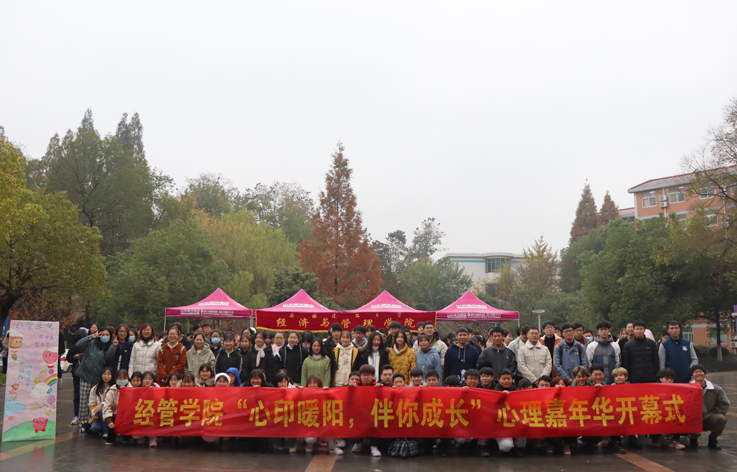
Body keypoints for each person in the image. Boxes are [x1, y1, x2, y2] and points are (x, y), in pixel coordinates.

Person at [75, 326, 115, 427]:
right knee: (83, 401)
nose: (105, 337)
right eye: (103, 334)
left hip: (98, 378)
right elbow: (78, 344)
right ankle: (82, 423)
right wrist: (91, 336)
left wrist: (113, 346)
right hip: (86, 375)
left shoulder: (110, 346)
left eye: (107, 335)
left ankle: (92, 422)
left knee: (95, 401)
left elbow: (108, 358)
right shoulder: (92, 343)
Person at [689, 364, 730, 450]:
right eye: (695, 372)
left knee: (721, 419)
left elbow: (724, 403)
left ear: (704, 373)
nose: (698, 373)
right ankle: (693, 440)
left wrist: (711, 414)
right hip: (693, 419)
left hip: (708, 418)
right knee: (692, 428)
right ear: (692, 375)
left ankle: (713, 439)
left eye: (701, 371)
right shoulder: (687, 389)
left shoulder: (716, 389)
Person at [622, 320, 659, 384]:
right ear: (634, 330)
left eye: (641, 329)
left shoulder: (651, 343)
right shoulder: (628, 345)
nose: (639, 331)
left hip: (650, 377)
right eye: (637, 329)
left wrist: (657, 376)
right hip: (635, 378)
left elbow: (656, 361)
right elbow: (626, 363)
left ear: (644, 330)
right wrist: (627, 378)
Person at [102, 369, 129, 446]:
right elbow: (107, 408)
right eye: (120, 378)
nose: (122, 380)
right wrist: (109, 421)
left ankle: (127, 437)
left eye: (124, 378)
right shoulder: (111, 392)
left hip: (128, 417)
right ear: (116, 379)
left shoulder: (133, 390)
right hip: (115, 416)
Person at [87, 367, 114, 436]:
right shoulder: (95, 388)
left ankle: (106, 432)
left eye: (108, 374)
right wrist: (94, 413)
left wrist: (102, 404)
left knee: (103, 409)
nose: (106, 376)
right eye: (104, 374)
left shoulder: (114, 388)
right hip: (99, 415)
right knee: (94, 428)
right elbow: (92, 404)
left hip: (111, 415)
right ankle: (106, 428)